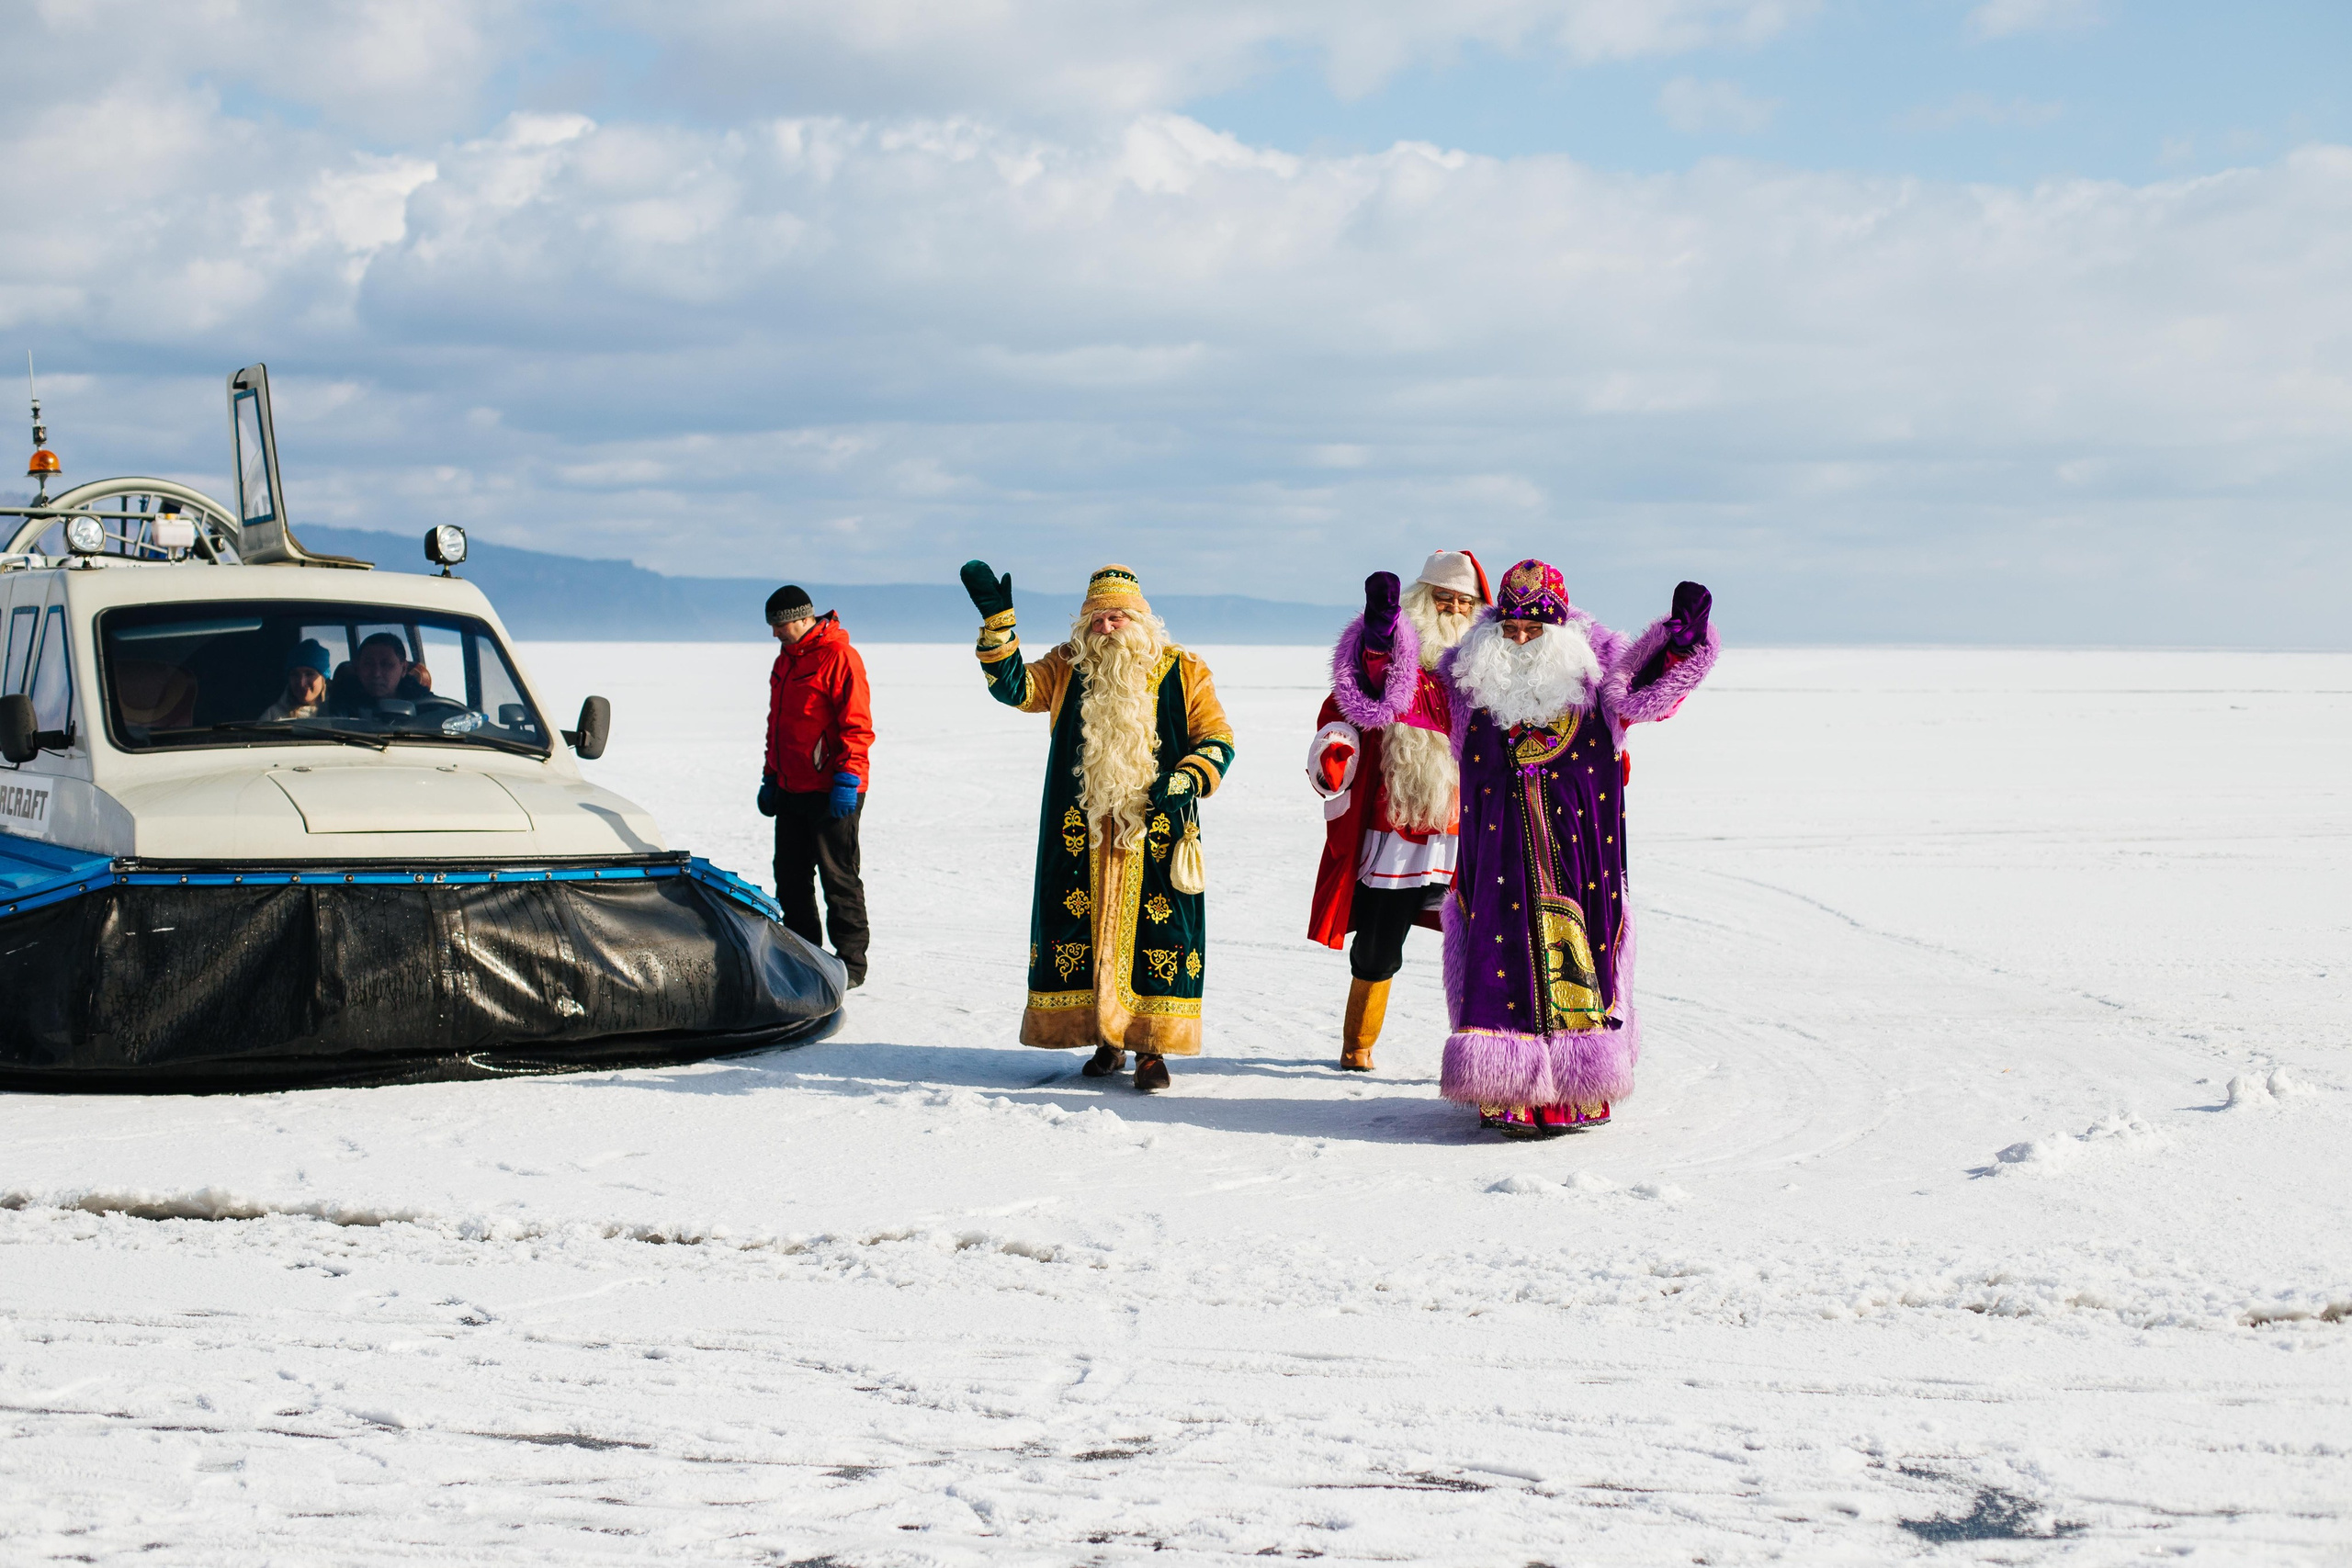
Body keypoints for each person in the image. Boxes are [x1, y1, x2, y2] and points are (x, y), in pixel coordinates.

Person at [1340, 557, 1716, 1138]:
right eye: (1509, 630)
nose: (1518, 642)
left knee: (1583, 964)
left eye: (1532, 631)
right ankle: (1506, 1092)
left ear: (1560, 631)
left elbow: (1650, 695)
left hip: (1582, 864)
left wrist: (1679, 647)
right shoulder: (1466, 688)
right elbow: (1397, 697)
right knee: (1502, 965)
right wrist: (1380, 639)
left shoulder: (1598, 685)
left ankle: (1580, 1090)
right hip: (1499, 865)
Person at [961, 560, 1236, 1092]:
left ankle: (1152, 1049)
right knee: (1081, 931)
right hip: (1081, 829)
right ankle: (1105, 1041)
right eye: (1097, 620)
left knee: (1163, 934)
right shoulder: (1067, 666)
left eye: (1118, 617)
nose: (1107, 628)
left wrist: (1189, 777)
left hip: (1157, 830)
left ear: (1141, 621)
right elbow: (1015, 690)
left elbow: (1217, 738)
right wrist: (999, 628)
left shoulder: (1185, 668)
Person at [1306, 550, 1490, 1071]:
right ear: (1419, 601)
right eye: (1443, 599)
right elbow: (1370, 675)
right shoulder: (1401, 665)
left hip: (1467, 828)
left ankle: (1480, 1044)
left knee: (1480, 940)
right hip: (1400, 828)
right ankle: (1357, 1042)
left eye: (1464, 602)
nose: (1454, 611)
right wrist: (1378, 634)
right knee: (1381, 938)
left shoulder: (1484, 675)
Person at [756, 585, 874, 989]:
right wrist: (771, 775)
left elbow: (857, 724)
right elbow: (778, 724)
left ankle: (851, 965)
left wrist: (848, 779)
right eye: (771, 626)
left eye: (780, 624)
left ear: (804, 618)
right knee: (789, 879)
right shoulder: (784, 661)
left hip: (832, 790)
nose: (775, 633)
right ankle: (806, 954)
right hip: (792, 789)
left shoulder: (839, 657)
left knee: (838, 877)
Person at [327, 632, 433, 715]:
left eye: (387, 664)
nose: (376, 673)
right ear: (358, 669)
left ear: (404, 669)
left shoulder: (427, 705)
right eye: (368, 664)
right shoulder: (339, 707)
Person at [259, 639, 333, 722]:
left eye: (309, 674)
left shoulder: (337, 713)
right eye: (295, 675)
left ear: (324, 678)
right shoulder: (273, 716)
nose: (302, 683)